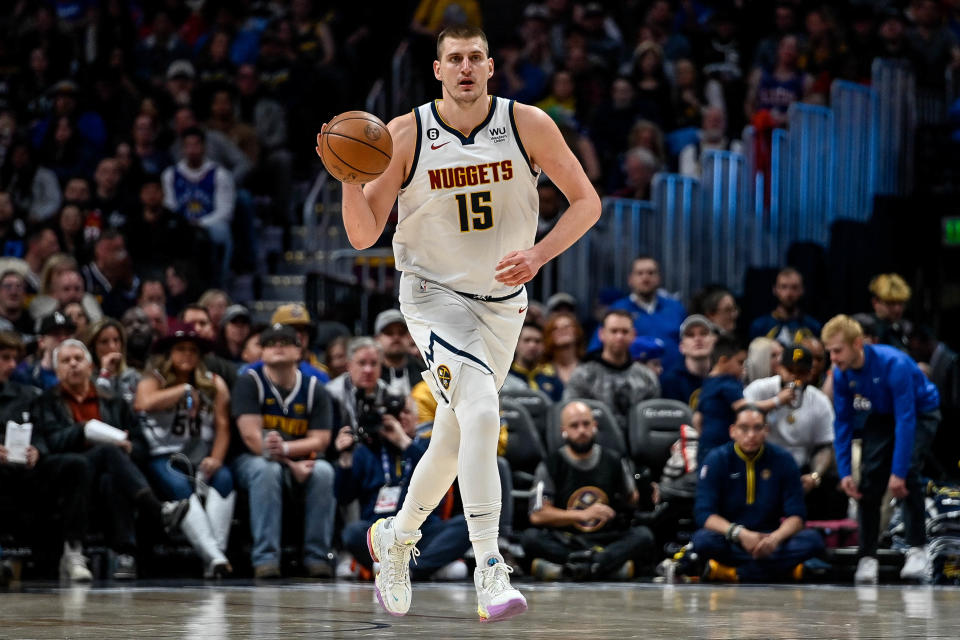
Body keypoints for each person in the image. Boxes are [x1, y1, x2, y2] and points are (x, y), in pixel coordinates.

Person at [323, 24, 600, 620]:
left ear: (491, 67)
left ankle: (394, 539)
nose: (467, 66)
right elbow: (364, 233)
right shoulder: (404, 133)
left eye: (476, 57)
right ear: (438, 69)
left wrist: (539, 255)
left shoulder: (528, 124)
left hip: (503, 305)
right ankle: (489, 567)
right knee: (480, 413)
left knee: (452, 440)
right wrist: (350, 181)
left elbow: (587, 202)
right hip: (432, 297)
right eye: (456, 58)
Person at [30, 339, 227, 579]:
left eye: (78, 359)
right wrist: (83, 431)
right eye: (65, 361)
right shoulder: (45, 402)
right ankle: (158, 510)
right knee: (106, 452)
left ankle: (124, 555)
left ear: (90, 366)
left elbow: (141, 445)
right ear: (57, 370)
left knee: (114, 472)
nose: (73, 365)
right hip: (67, 472)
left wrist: (129, 447)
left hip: (109, 474)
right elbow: (49, 444)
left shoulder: (113, 401)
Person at [822, 315, 940, 583]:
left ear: (857, 344)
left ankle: (917, 549)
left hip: (920, 411)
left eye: (837, 350)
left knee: (908, 473)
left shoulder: (893, 363)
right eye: (829, 351)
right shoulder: (841, 373)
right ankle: (867, 555)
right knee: (868, 477)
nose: (833, 358)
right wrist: (844, 473)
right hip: (883, 412)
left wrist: (897, 472)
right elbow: (842, 423)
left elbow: (906, 419)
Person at [231, 323, 337, 578]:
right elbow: (253, 439)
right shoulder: (249, 382)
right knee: (266, 471)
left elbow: (321, 440)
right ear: (262, 352)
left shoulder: (314, 388)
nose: (277, 347)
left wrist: (287, 448)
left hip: (299, 457)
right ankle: (266, 558)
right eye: (270, 343)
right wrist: (291, 464)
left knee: (324, 472)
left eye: (285, 342)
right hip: (252, 460)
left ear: (299, 351)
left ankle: (317, 557)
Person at [135, 323, 235, 576]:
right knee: (179, 486)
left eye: (192, 350)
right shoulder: (152, 380)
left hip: (201, 454)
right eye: (180, 349)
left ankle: (214, 557)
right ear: (169, 353)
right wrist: (182, 390)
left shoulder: (214, 383)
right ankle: (214, 557)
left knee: (224, 479)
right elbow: (142, 403)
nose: (187, 354)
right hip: (163, 454)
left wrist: (216, 457)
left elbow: (223, 427)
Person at [335, 394, 471, 580]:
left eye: (406, 412)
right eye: (395, 414)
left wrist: (403, 441)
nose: (401, 418)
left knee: (467, 524)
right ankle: (427, 568)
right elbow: (343, 497)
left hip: (424, 532)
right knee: (352, 532)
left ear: (417, 418)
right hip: (382, 532)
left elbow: (437, 473)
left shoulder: (429, 446)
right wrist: (345, 459)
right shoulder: (367, 451)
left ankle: (407, 570)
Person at [522, 400, 654, 580]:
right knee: (530, 538)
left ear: (595, 426)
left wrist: (647, 492)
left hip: (607, 539)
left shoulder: (614, 461)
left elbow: (632, 500)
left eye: (586, 424)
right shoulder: (550, 465)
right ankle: (603, 567)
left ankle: (576, 568)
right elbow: (537, 515)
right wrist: (581, 515)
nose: (581, 431)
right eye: (574, 426)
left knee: (644, 536)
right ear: (564, 430)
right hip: (568, 539)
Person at [691, 405, 824, 582]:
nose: (751, 435)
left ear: (766, 430)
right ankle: (783, 572)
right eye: (744, 428)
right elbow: (704, 514)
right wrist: (740, 534)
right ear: (733, 431)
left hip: (770, 537)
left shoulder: (783, 460)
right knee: (702, 540)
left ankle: (733, 573)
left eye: (757, 428)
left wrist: (774, 540)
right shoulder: (717, 459)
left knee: (813, 541)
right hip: (732, 536)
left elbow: (797, 516)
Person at [0, 331, 93, 581]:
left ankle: (73, 551)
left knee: (75, 465)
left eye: (14, 359)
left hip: (25, 469)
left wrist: (37, 450)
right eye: (5, 358)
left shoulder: (27, 395)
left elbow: (41, 433)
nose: (11, 365)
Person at [744, 344, 844, 520]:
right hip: (760, 462)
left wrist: (814, 476)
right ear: (778, 367)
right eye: (790, 370)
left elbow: (825, 446)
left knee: (832, 484)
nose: (795, 377)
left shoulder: (819, 400)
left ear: (811, 372)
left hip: (800, 467)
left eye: (801, 372)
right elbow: (743, 417)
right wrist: (776, 401)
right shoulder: (759, 389)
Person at [695, 334, 792, 467]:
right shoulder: (728, 383)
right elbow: (746, 408)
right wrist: (778, 400)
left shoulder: (708, 383)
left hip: (705, 446)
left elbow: (697, 419)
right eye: (740, 362)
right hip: (724, 447)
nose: (743, 368)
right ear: (723, 361)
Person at [564, 310, 660, 432]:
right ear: (602, 334)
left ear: (633, 335)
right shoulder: (583, 374)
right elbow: (570, 414)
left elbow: (652, 421)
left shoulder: (647, 377)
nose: (619, 337)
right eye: (614, 331)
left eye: (625, 332)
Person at [591, 256, 686, 372]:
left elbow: (688, 342)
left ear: (659, 278)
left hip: (674, 383)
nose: (645, 278)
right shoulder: (617, 309)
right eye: (640, 273)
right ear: (630, 279)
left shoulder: (676, 308)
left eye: (651, 273)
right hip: (631, 383)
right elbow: (596, 349)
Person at [749, 268, 821, 345]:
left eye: (794, 287)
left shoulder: (813, 326)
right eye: (784, 287)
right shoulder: (760, 326)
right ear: (775, 289)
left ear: (802, 290)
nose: (789, 293)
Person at [660, 314, 716, 409]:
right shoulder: (670, 382)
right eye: (690, 335)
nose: (698, 339)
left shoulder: (723, 376)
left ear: (713, 341)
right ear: (681, 346)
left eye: (703, 333)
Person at [84, 318, 141, 408]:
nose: (112, 346)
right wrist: (105, 373)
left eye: (116, 340)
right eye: (104, 342)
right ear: (92, 348)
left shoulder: (133, 377)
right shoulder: (85, 380)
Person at [507, 321, 564, 401]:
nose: (532, 345)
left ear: (543, 346)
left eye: (537, 341)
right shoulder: (504, 377)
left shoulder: (552, 379)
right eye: (527, 340)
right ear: (516, 344)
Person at [374, 308, 424, 398]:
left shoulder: (424, 372)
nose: (396, 337)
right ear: (377, 339)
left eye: (401, 332)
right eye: (389, 333)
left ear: (409, 337)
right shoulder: (371, 375)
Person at [868, 273, 913, 351]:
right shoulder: (862, 326)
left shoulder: (905, 329)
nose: (897, 309)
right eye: (891, 303)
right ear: (875, 302)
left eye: (901, 303)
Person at [542, 310, 584, 385]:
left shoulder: (589, 369)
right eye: (555, 328)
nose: (562, 330)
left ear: (576, 332)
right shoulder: (541, 371)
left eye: (567, 326)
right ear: (549, 336)